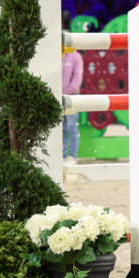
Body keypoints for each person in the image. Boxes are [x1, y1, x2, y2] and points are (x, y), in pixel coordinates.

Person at [61, 17, 84, 166]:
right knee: (60, 128)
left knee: (71, 126)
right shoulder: (58, 56)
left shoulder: (76, 56)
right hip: (58, 96)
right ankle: (62, 156)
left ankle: (72, 156)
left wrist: (67, 92)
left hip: (72, 97)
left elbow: (77, 79)